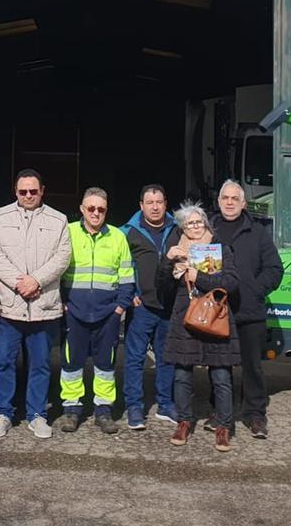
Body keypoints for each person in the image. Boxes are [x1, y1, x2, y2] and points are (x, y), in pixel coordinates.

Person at [0, 169, 71, 439]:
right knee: (4, 362)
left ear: (42, 190)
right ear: (15, 191)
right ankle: (3, 413)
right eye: (23, 191)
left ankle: (37, 415)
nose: (28, 196)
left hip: (43, 304)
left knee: (41, 363)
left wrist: (36, 280)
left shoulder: (59, 220)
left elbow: (63, 257)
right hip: (11, 303)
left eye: (33, 191)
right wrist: (18, 282)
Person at [159, 200, 239, 452]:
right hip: (185, 318)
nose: (194, 226)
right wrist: (166, 261)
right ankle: (184, 421)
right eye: (188, 223)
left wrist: (199, 277)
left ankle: (223, 426)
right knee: (182, 375)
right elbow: (163, 287)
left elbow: (231, 282)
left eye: (198, 221)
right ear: (182, 226)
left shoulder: (220, 249)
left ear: (205, 223)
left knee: (221, 376)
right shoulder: (177, 250)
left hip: (215, 315)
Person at [56, 187, 134, 435]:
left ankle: (103, 410)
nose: (96, 213)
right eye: (91, 208)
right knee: (71, 363)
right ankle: (71, 410)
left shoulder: (117, 237)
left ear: (106, 210)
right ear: (81, 209)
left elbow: (126, 276)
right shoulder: (67, 232)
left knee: (106, 365)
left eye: (101, 209)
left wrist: (120, 307)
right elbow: (55, 270)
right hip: (74, 312)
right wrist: (63, 303)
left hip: (107, 314)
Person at [209, 180, 283, 439]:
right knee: (220, 366)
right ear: (218, 202)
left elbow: (275, 269)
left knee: (252, 366)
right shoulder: (209, 229)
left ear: (243, 203)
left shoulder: (258, 232)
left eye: (234, 198)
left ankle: (254, 415)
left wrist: (254, 291)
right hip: (217, 312)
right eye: (225, 198)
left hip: (250, 312)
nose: (229, 202)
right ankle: (220, 413)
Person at [120, 184, 179, 430]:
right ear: (141, 206)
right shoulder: (128, 233)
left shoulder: (179, 230)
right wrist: (130, 292)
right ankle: (134, 407)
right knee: (134, 359)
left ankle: (166, 405)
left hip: (170, 306)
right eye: (150, 202)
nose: (155, 207)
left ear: (166, 204)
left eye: (159, 202)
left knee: (167, 358)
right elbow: (120, 266)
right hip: (141, 306)